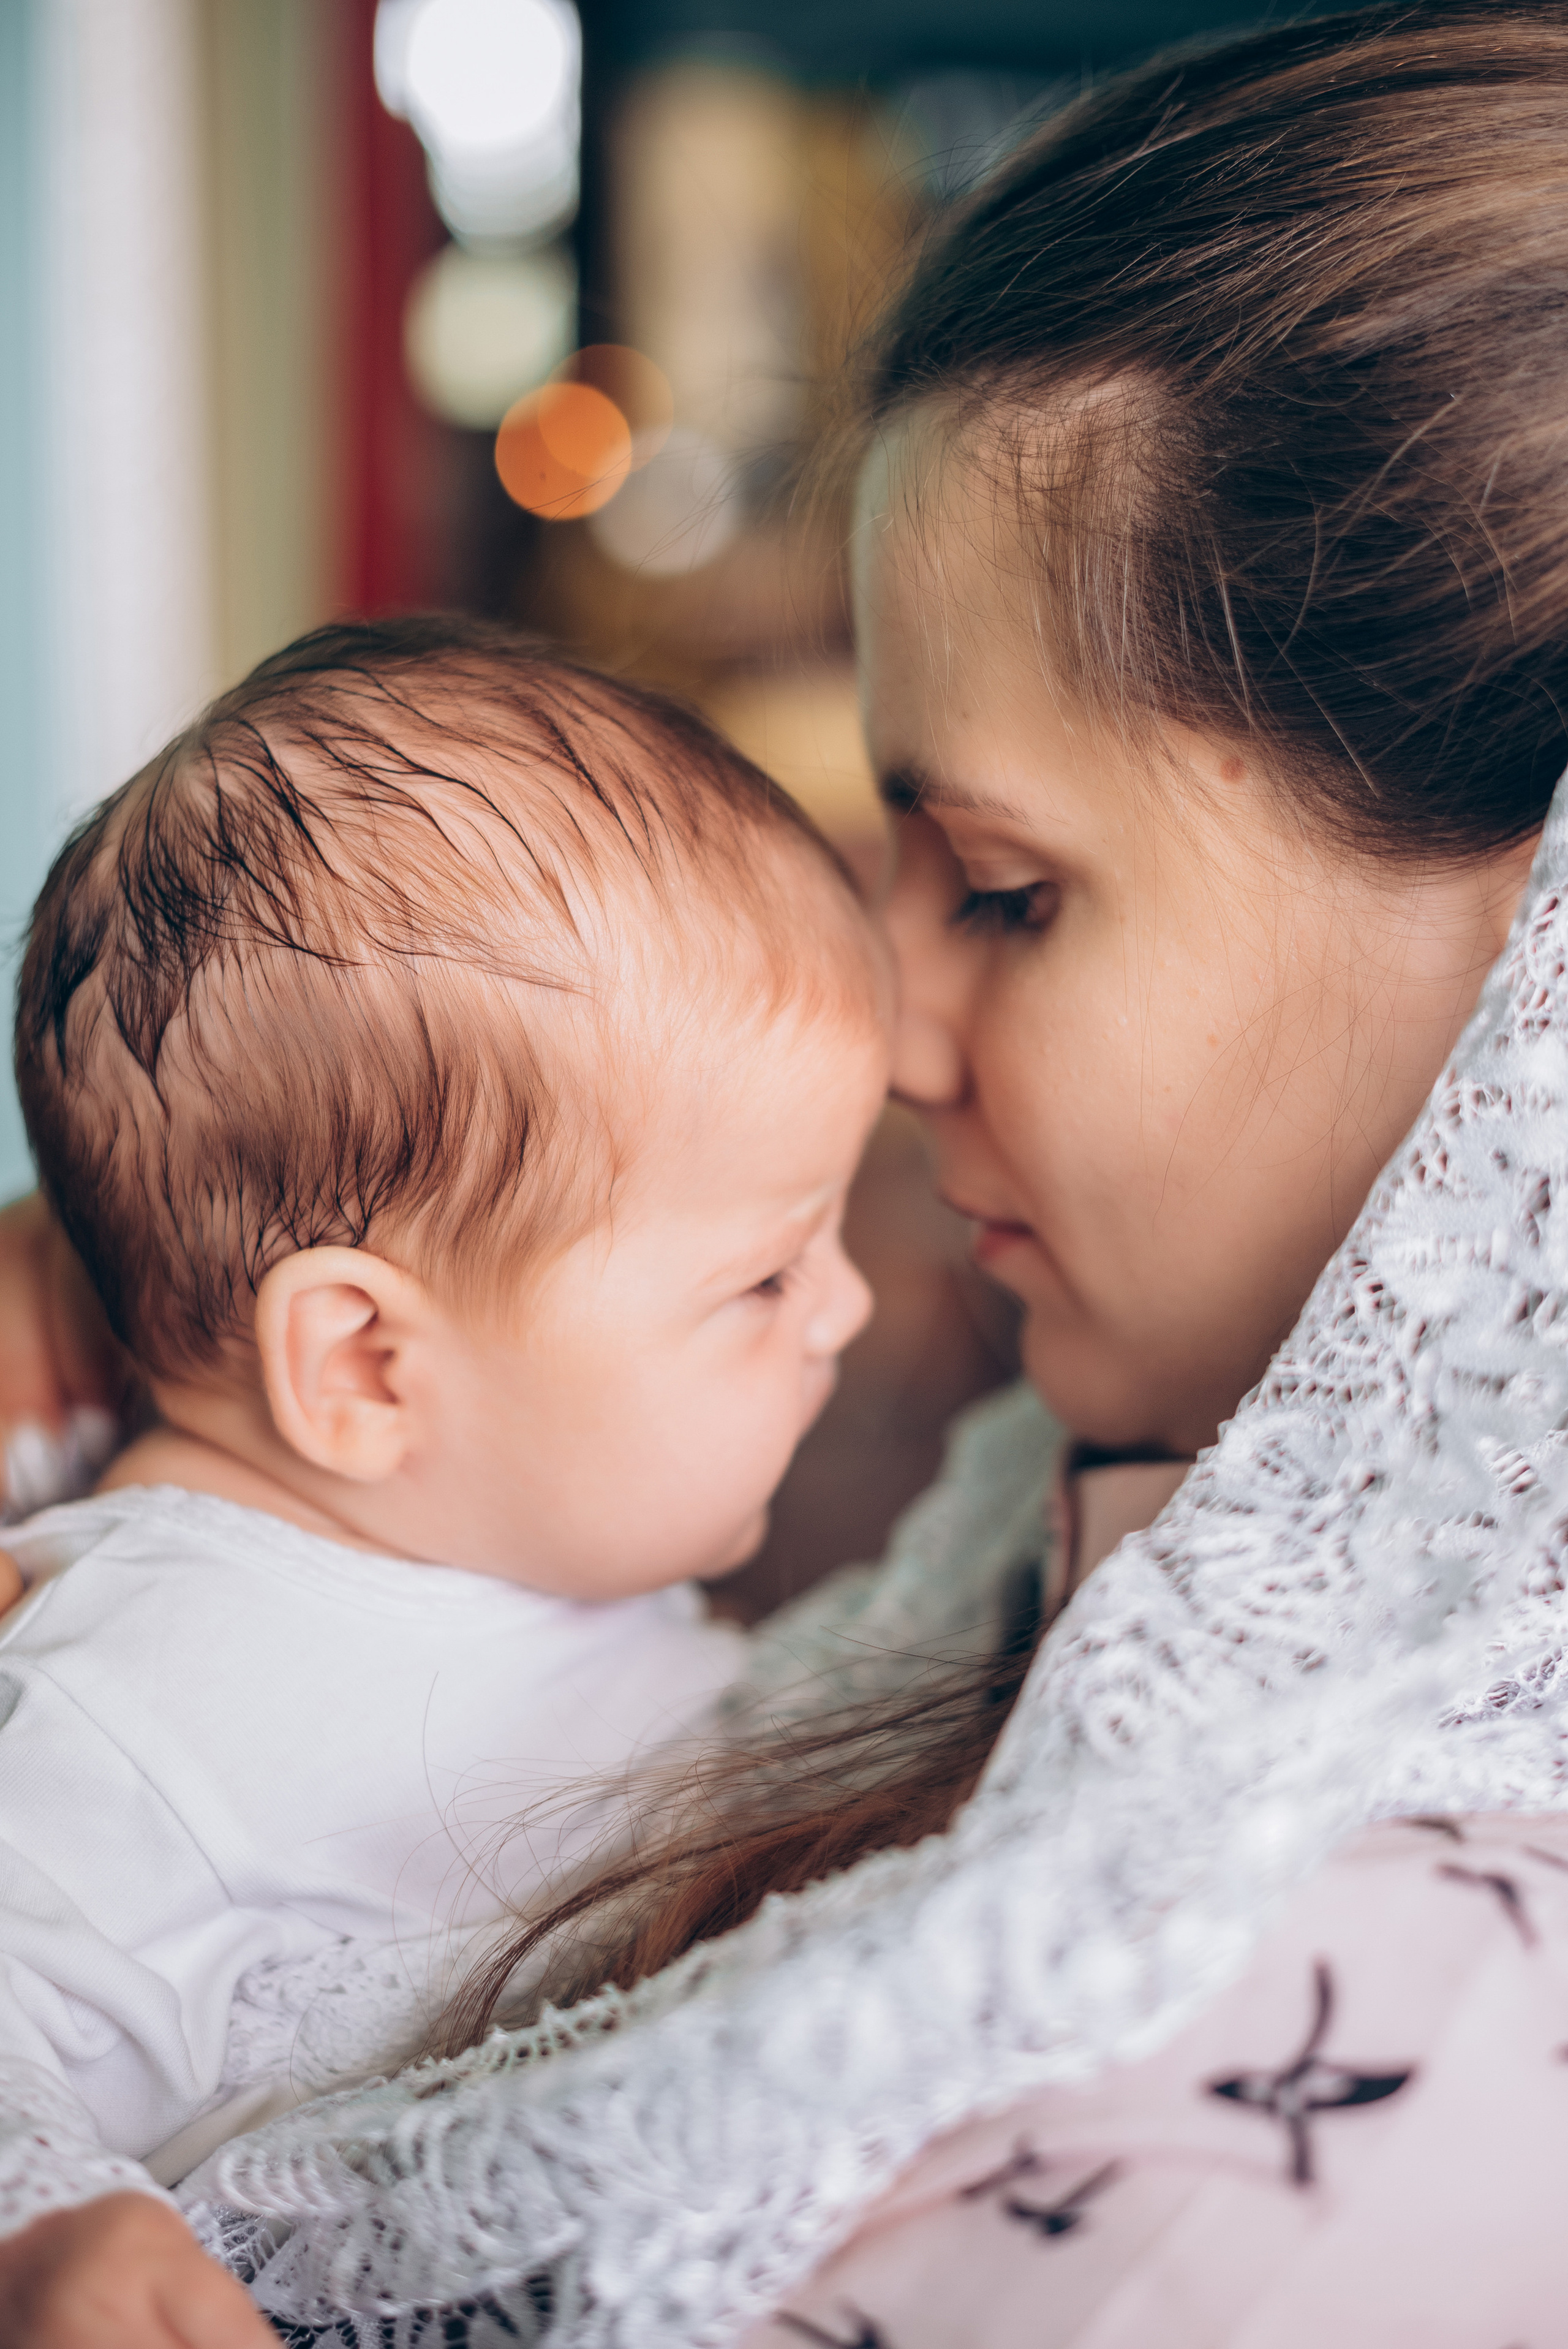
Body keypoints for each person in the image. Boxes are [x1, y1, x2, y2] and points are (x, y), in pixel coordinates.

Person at [4, 2, 1567, 2340]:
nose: (901, 1047)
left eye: (1012, 890)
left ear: (1528, 952)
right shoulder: (1035, 1524)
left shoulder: (1376, 2048)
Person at [0, 616, 889, 2347]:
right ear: (368, 1368)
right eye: (766, 1276)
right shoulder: (143, 1704)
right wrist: (46, 2232)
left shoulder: (531, 1526)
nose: (848, 1306)